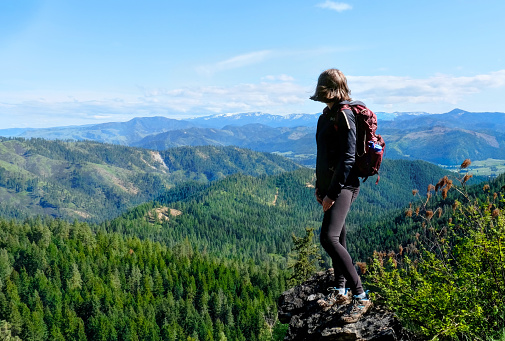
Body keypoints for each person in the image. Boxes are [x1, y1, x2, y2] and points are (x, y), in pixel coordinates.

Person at [311, 68, 372, 323]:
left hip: (345, 186)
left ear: (329, 89)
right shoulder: (327, 116)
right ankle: (341, 289)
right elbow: (324, 155)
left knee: (328, 238)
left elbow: (347, 158)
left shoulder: (345, 116)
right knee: (339, 236)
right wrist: (319, 186)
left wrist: (332, 194)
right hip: (331, 187)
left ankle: (361, 296)